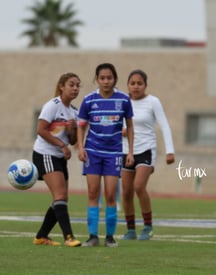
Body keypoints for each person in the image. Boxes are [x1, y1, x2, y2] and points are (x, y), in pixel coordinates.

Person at [77, 63, 134, 247]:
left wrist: (130, 151)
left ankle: (110, 237)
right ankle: (92, 236)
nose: (106, 81)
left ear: (114, 79)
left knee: (110, 194)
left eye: (109, 78)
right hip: (92, 151)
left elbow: (130, 126)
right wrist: (80, 147)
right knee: (93, 193)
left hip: (114, 152)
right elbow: (81, 126)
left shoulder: (124, 99)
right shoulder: (88, 100)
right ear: (97, 79)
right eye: (102, 78)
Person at [121, 69, 175, 241]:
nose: (136, 87)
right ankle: (130, 229)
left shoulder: (153, 102)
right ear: (128, 85)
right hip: (126, 151)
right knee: (126, 191)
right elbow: (116, 124)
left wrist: (170, 150)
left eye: (139, 83)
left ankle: (148, 227)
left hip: (146, 149)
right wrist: (119, 131)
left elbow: (164, 125)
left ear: (145, 85)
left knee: (138, 186)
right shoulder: (123, 102)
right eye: (132, 83)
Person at [32, 72, 82, 247]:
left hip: (60, 157)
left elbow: (74, 141)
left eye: (77, 85)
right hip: (45, 153)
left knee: (61, 198)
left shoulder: (75, 111)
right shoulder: (52, 105)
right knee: (60, 195)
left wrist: (72, 130)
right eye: (71, 84)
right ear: (62, 86)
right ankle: (69, 237)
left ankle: (41, 236)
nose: (75, 88)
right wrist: (61, 144)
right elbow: (41, 130)